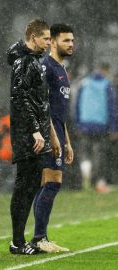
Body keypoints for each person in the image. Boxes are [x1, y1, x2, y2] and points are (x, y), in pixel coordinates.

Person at [6, 19, 59, 255]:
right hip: (28, 136)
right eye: (46, 38)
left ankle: (19, 240)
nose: (49, 43)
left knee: (28, 187)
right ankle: (17, 242)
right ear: (34, 37)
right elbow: (20, 98)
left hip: (33, 134)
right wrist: (35, 129)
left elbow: (36, 101)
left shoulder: (30, 60)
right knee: (24, 188)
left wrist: (48, 134)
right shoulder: (25, 62)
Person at [32, 24, 75, 253]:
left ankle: (40, 237)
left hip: (58, 132)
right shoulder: (45, 67)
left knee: (47, 184)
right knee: (52, 182)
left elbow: (60, 111)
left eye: (72, 41)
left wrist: (66, 140)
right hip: (48, 134)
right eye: (66, 40)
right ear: (54, 42)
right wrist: (53, 137)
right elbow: (42, 106)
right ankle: (39, 238)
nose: (71, 44)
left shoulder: (62, 70)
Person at [75, 62, 116, 193]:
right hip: (101, 125)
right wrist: (114, 127)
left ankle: (85, 177)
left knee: (86, 152)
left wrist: (78, 123)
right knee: (100, 153)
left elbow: (76, 105)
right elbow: (112, 107)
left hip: (85, 124)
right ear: (106, 70)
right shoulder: (107, 85)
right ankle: (99, 182)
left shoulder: (83, 83)